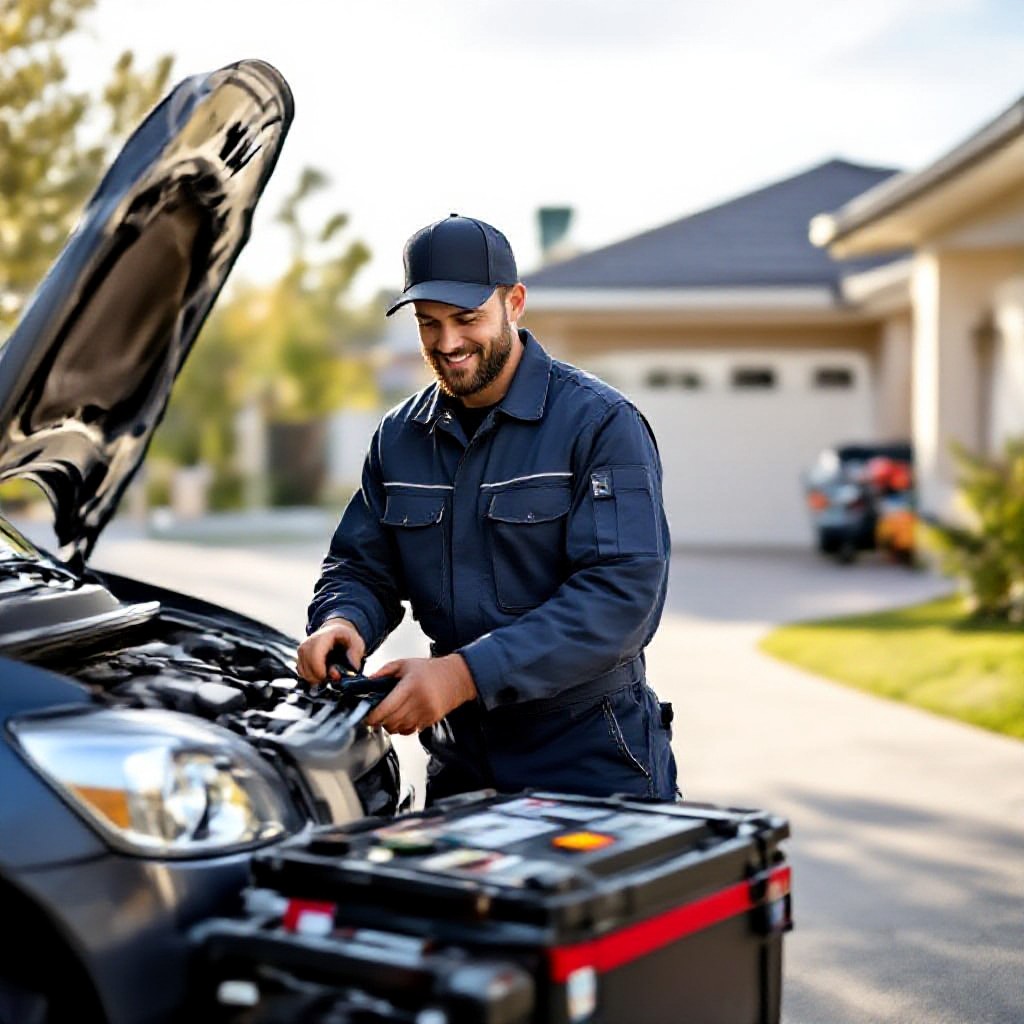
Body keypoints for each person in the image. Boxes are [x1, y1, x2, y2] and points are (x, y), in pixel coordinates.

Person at [297, 214, 678, 804]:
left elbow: (621, 598)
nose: (447, 344)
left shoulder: (600, 426)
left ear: (515, 303)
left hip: (591, 761)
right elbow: (360, 566)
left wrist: (462, 675)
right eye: (429, 324)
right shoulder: (399, 438)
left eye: (467, 319)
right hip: (461, 764)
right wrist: (342, 621)